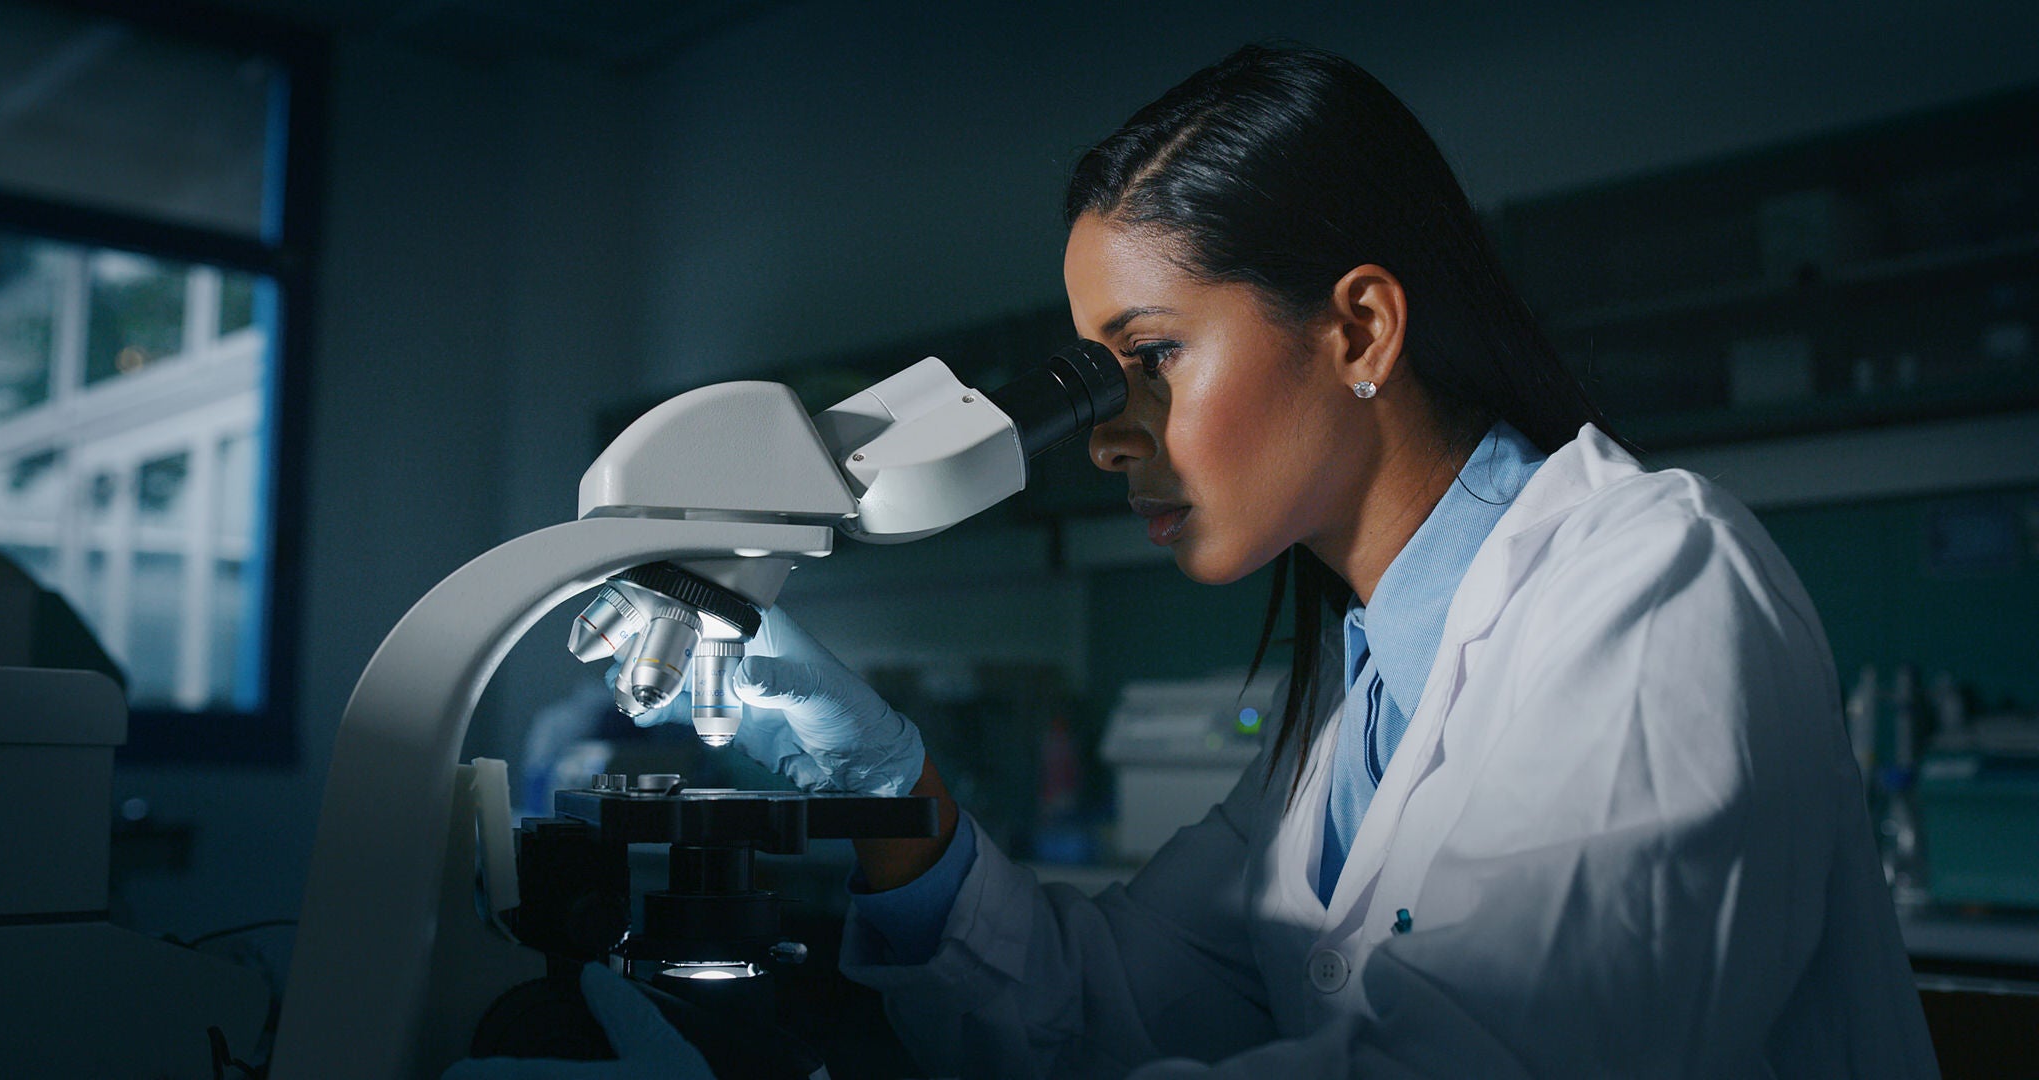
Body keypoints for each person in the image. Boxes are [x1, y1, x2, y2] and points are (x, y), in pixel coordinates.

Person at [460, 43, 1939, 1079]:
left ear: (1358, 330)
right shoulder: (1347, 716)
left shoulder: (1648, 591)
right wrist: (883, 790)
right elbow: (1098, 1016)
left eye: (1150, 358)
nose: (1112, 434)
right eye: (1099, 379)